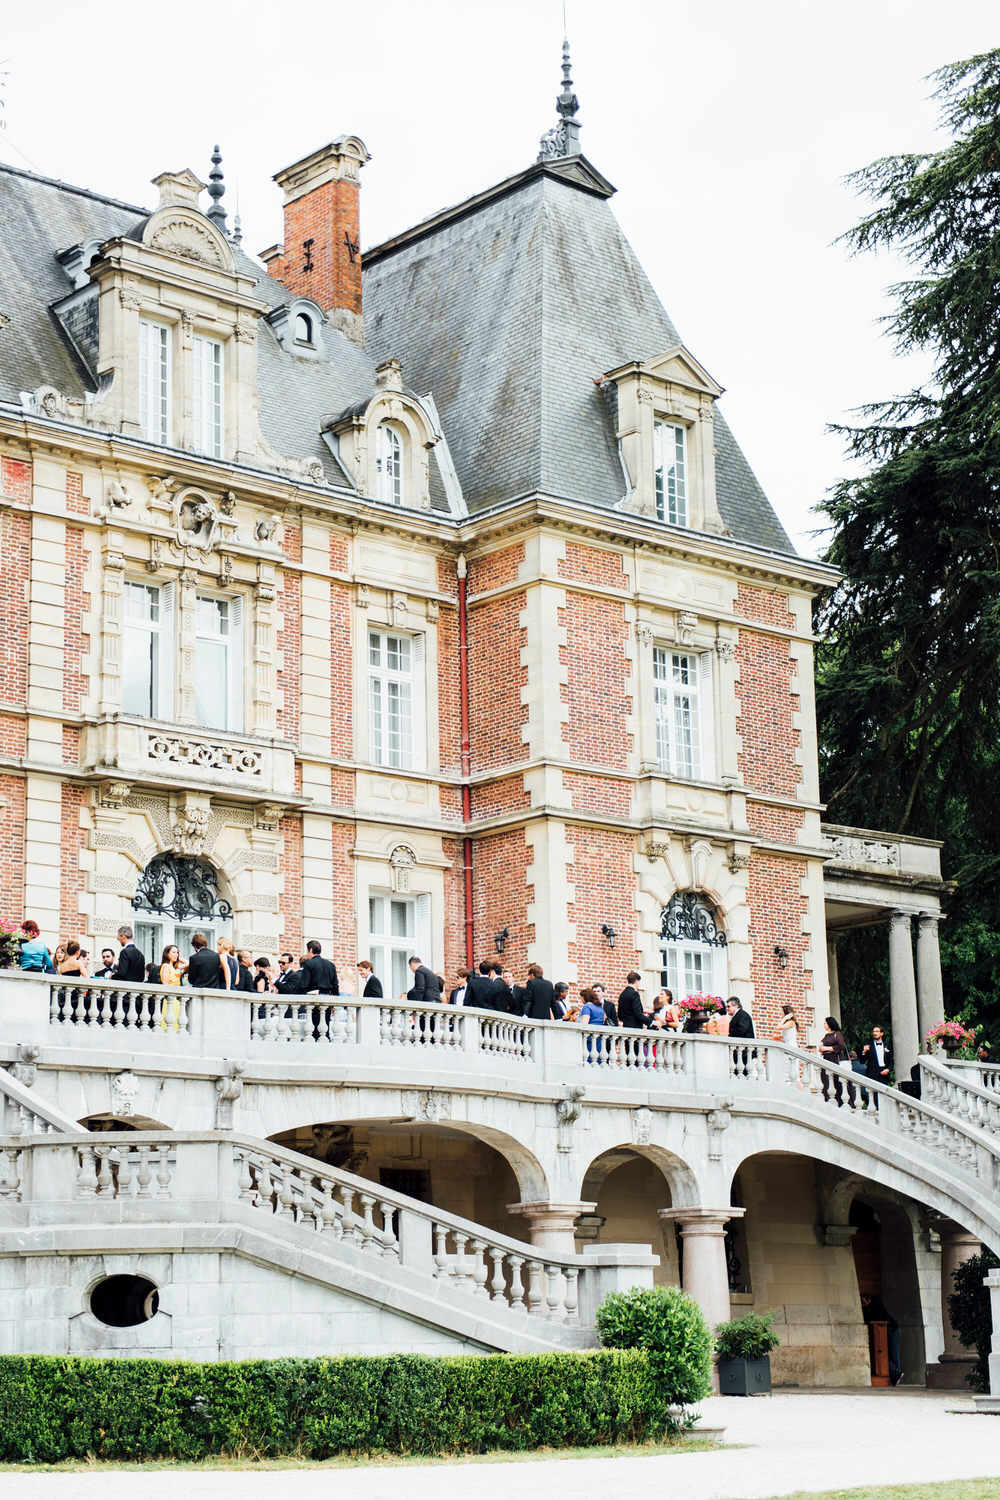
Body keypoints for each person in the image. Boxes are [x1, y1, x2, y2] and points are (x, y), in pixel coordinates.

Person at [861, 1292, 902, 1385]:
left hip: (892, 1330)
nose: (864, 1306)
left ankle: (897, 1375)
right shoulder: (868, 1308)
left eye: (865, 1303)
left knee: (893, 1353)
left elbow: (878, 1317)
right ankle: (895, 1375)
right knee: (885, 1354)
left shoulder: (876, 1304)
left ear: (869, 1300)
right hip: (885, 1331)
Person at [818, 1015, 856, 1107]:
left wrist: (827, 1048)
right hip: (827, 1058)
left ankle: (842, 1101)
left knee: (837, 1080)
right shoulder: (826, 1035)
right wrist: (822, 1049)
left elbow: (840, 1046)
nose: (824, 1025)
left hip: (835, 1059)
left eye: (825, 1023)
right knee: (827, 1080)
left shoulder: (837, 1034)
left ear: (830, 1024)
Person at [861, 1025, 893, 1110]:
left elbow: (891, 1061)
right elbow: (862, 1061)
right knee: (873, 1093)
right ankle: (874, 1110)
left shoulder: (887, 1046)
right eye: (874, 1031)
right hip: (872, 1073)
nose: (875, 1033)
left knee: (883, 1092)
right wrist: (864, 1052)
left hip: (884, 1072)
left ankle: (884, 1109)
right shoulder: (869, 1045)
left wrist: (888, 1069)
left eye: (877, 1031)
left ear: (881, 1033)